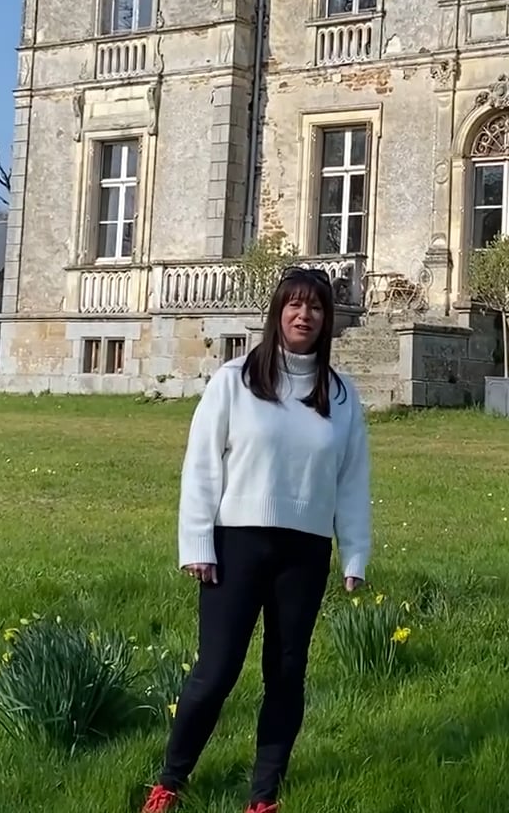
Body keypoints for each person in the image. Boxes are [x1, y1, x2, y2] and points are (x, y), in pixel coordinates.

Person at [142, 266, 373, 813]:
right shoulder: (235, 380)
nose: (304, 315)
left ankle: (263, 797)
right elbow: (202, 465)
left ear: (327, 319)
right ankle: (170, 782)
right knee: (216, 672)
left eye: (315, 307)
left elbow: (352, 478)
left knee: (286, 675)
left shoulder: (341, 396)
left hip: (305, 552)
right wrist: (196, 544)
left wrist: (355, 552)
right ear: (278, 313)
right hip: (237, 546)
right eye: (294, 305)